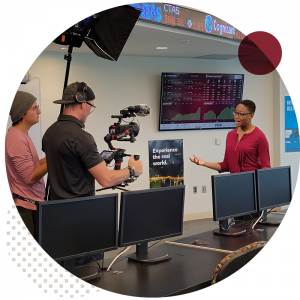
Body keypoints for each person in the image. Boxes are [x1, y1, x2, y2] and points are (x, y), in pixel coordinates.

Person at [42, 81, 143, 266]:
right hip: (82, 219)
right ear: (83, 103)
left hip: (55, 214)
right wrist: (132, 170)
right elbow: (106, 179)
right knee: (89, 273)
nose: (89, 112)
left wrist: (94, 163)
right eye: (91, 107)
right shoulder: (82, 137)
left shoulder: (50, 133)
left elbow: (67, 165)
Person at [4, 91, 48, 238]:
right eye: (35, 108)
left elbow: (34, 165)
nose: (39, 111)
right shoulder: (16, 139)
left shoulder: (21, 135)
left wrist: (53, 156)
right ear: (23, 113)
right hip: (26, 209)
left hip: (32, 204)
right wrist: (53, 160)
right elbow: (30, 178)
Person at [189, 99, 271, 173]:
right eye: (235, 113)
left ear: (251, 115)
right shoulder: (230, 135)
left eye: (241, 114)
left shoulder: (260, 137)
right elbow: (226, 165)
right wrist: (204, 163)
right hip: (233, 183)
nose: (236, 116)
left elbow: (266, 167)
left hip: (252, 185)